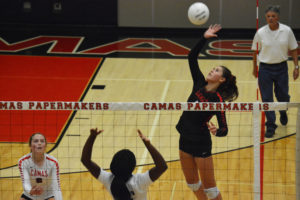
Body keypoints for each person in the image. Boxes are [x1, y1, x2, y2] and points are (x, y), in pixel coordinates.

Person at [176, 24, 239, 200]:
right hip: (184, 137)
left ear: (222, 79)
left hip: (201, 143)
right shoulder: (199, 82)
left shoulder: (217, 100)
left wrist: (216, 131)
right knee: (193, 184)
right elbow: (191, 57)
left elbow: (224, 129)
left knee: (210, 190)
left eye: (216, 70)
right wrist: (204, 38)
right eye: (213, 68)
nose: (212, 70)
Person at [251, 5, 299, 138]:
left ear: (278, 17)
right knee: (267, 98)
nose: (270, 18)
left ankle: (283, 110)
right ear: (265, 18)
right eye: (268, 16)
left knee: (282, 95)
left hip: (281, 68)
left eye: (273, 16)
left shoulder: (287, 31)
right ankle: (271, 124)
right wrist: (254, 67)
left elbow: (294, 49)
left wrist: (296, 66)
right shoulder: (260, 32)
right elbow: (255, 51)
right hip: (265, 69)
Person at [81, 128, 167, 200]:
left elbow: (85, 160)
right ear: (133, 167)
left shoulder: (109, 180)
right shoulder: (139, 181)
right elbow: (162, 166)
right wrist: (148, 145)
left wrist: (92, 137)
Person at [18, 133, 63, 200]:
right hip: (30, 195)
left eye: (42, 141)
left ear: (45, 145)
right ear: (30, 145)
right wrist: (31, 190)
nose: (39, 143)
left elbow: (56, 186)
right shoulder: (23, 161)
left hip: (48, 195)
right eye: (36, 141)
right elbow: (25, 183)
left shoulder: (53, 162)